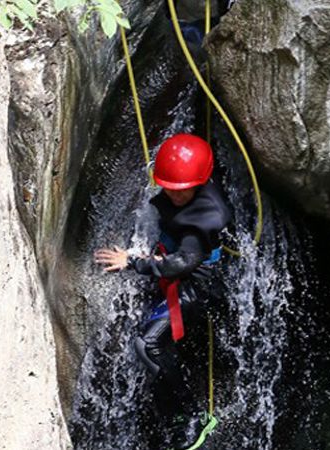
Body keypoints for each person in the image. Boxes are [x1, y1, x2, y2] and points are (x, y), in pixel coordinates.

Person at [94, 133, 231, 450]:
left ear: (198, 183)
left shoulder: (204, 219)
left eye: (180, 190)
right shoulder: (185, 190)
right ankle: (173, 410)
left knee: (148, 345)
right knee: (152, 346)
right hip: (176, 272)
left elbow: (181, 263)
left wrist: (131, 262)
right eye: (168, 187)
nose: (172, 193)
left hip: (194, 287)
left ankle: (193, 416)